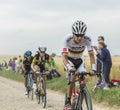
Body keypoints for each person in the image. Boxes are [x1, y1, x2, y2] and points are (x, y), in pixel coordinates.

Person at [62, 20, 96, 110]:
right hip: (69, 60)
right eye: (77, 35)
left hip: (80, 60)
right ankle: (68, 102)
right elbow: (64, 57)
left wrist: (94, 68)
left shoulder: (88, 39)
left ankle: (79, 105)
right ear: (73, 34)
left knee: (83, 82)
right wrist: (69, 68)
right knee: (73, 75)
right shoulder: (67, 39)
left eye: (81, 35)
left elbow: (92, 55)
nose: (80, 38)